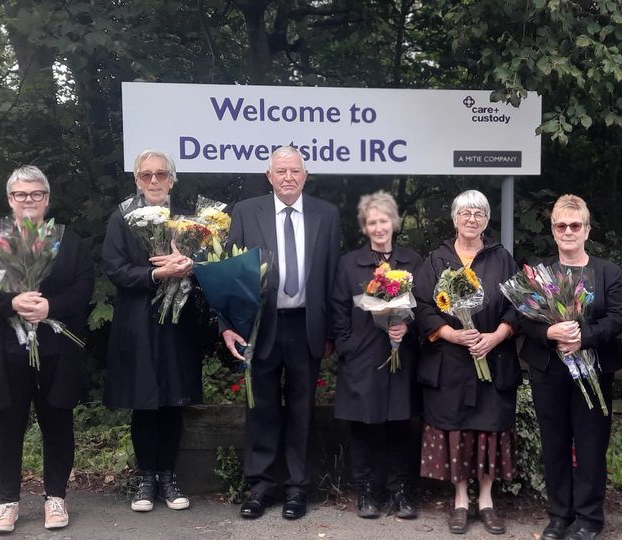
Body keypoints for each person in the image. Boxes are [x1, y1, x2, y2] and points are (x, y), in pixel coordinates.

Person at [0, 165, 94, 533]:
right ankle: (7, 502)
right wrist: (13, 301)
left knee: (58, 421)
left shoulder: (68, 241)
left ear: (47, 199)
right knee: (6, 425)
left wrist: (50, 307)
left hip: (55, 349)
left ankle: (56, 497)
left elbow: (83, 286)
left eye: (36, 194)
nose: (29, 201)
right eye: (21, 195)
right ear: (10, 199)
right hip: (5, 350)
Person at [221, 146, 341, 520]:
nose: (288, 177)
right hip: (260, 326)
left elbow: (334, 277)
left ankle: (297, 488)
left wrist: (335, 332)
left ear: (305, 175)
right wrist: (227, 326)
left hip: (307, 325)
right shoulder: (245, 211)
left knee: (302, 410)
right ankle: (261, 487)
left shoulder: (327, 213)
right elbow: (229, 273)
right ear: (268, 176)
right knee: (261, 409)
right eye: (281, 171)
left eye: (295, 170)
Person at [519, 195, 622, 540]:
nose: (568, 231)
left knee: (591, 443)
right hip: (549, 370)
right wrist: (549, 332)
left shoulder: (606, 271)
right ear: (553, 230)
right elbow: (524, 320)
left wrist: (585, 338)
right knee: (554, 443)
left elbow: (618, 317)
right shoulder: (539, 273)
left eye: (575, 225)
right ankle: (558, 516)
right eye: (561, 225)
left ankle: (589, 519)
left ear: (587, 230)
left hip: (593, 369)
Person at [412, 189, 518, 535]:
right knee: (456, 429)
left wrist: (496, 336)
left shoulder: (502, 258)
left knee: (488, 429)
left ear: (487, 221)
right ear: (454, 219)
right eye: (465, 213)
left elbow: (519, 305)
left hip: (493, 360)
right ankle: (460, 500)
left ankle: (486, 501)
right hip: (451, 363)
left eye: (479, 214)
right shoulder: (437, 260)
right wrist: (450, 334)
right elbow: (423, 307)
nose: (471, 219)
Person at [102, 149, 198, 513]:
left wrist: (190, 264)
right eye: (146, 175)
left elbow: (205, 262)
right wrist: (156, 274)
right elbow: (114, 268)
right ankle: (146, 478)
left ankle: (169, 477)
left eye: (161, 174)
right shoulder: (122, 217)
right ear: (137, 180)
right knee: (144, 401)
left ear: (172, 179)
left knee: (174, 400)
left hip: (176, 320)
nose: (154, 181)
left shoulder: (187, 220)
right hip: (138, 320)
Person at [330, 191, 422, 520]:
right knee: (363, 428)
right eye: (372, 222)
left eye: (384, 220)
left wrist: (406, 329)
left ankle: (400, 491)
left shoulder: (412, 262)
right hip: (362, 359)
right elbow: (338, 311)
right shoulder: (349, 263)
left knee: (400, 426)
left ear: (394, 223)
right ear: (365, 227)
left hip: (400, 358)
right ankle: (367, 490)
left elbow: (423, 308)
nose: (379, 227)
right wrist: (348, 347)